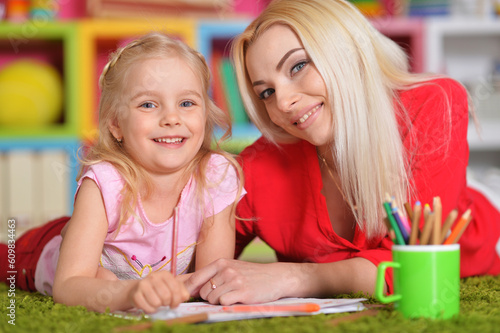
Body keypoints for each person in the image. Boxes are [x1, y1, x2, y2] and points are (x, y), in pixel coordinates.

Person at [185, 0, 500, 305]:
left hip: (474, 270)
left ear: (347, 53)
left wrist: (292, 278)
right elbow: (203, 272)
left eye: (298, 66)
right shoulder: (258, 164)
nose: (282, 103)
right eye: (266, 92)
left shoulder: (431, 104)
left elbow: (414, 265)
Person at [0, 32, 245, 313]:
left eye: (187, 103)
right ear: (116, 124)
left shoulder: (216, 175)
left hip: (92, 238)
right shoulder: (105, 181)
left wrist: (173, 288)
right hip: (40, 251)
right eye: (148, 104)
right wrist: (131, 291)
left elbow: (210, 280)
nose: (172, 118)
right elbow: (67, 286)